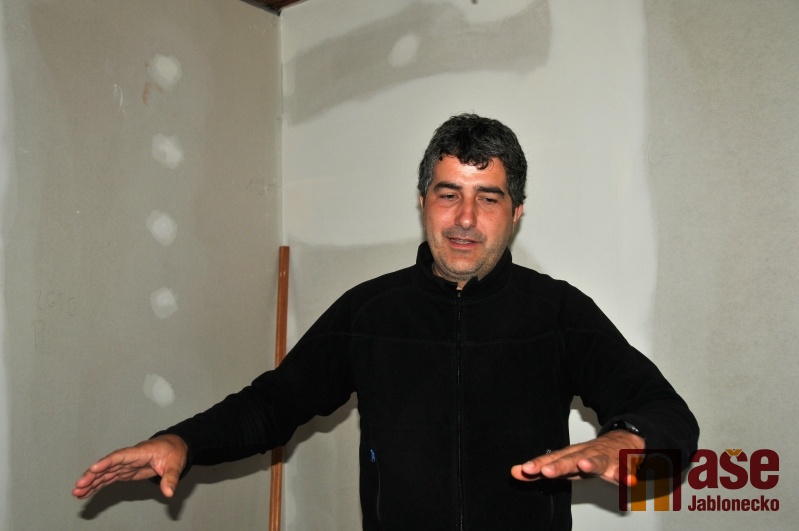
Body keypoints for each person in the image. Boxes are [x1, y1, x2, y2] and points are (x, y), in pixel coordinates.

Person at [73, 114, 698, 530]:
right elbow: (273, 404)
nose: (465, 219)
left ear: (516, 214)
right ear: (423, 202)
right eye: (448, 193)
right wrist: (182, 442)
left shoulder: (558, 313)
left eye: (488, 198)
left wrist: (628, 441)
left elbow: (670, 416)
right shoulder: (369, 312)